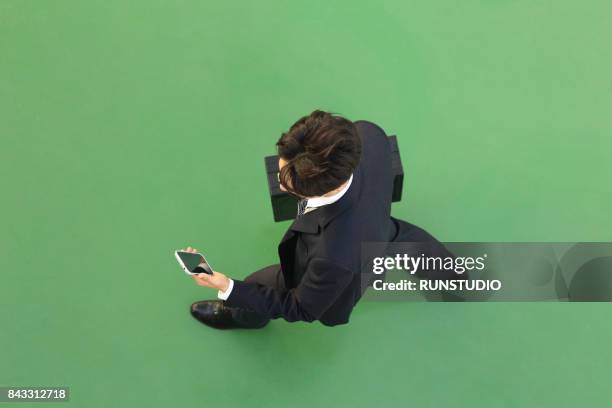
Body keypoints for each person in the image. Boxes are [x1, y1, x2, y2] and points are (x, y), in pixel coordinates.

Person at [186, 110, 455, 329]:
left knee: (257, 282)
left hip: (348, 260)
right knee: (401, 239)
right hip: (379, 225)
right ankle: (455, 280)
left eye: (287, 183)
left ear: (320, 189)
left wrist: (226, 286)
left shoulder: (332, 256)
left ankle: (239, 316)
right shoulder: (369, 134)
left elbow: (301, 307)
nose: (280, 185)